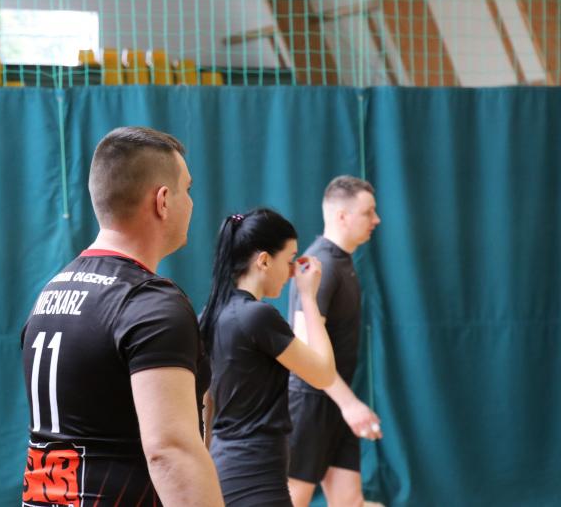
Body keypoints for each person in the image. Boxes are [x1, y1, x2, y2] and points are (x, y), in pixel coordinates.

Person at [19, 127, 223, 507]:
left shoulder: (50, 293)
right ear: (163, 200)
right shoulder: (151, 303)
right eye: (187, 189)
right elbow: (170, 452)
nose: (192, 203)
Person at [200, 208, 337, 506]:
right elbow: (324, 374)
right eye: (289, 260)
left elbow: (206, 403)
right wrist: (308, 298)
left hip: (225, 467)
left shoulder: (210, 315)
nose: (292, 272)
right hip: (255, 477)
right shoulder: (257, 316)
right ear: (263, 260)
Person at [287, 175, 382, 507]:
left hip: (334, 404)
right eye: (368, 212)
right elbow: (303, 349)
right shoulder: (321, 264)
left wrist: (345, 404)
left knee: (350, 502)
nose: (376, 220)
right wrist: (349, 404)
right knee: (293, 500)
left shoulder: (341, 262)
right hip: (308, 405)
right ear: (342, 216)